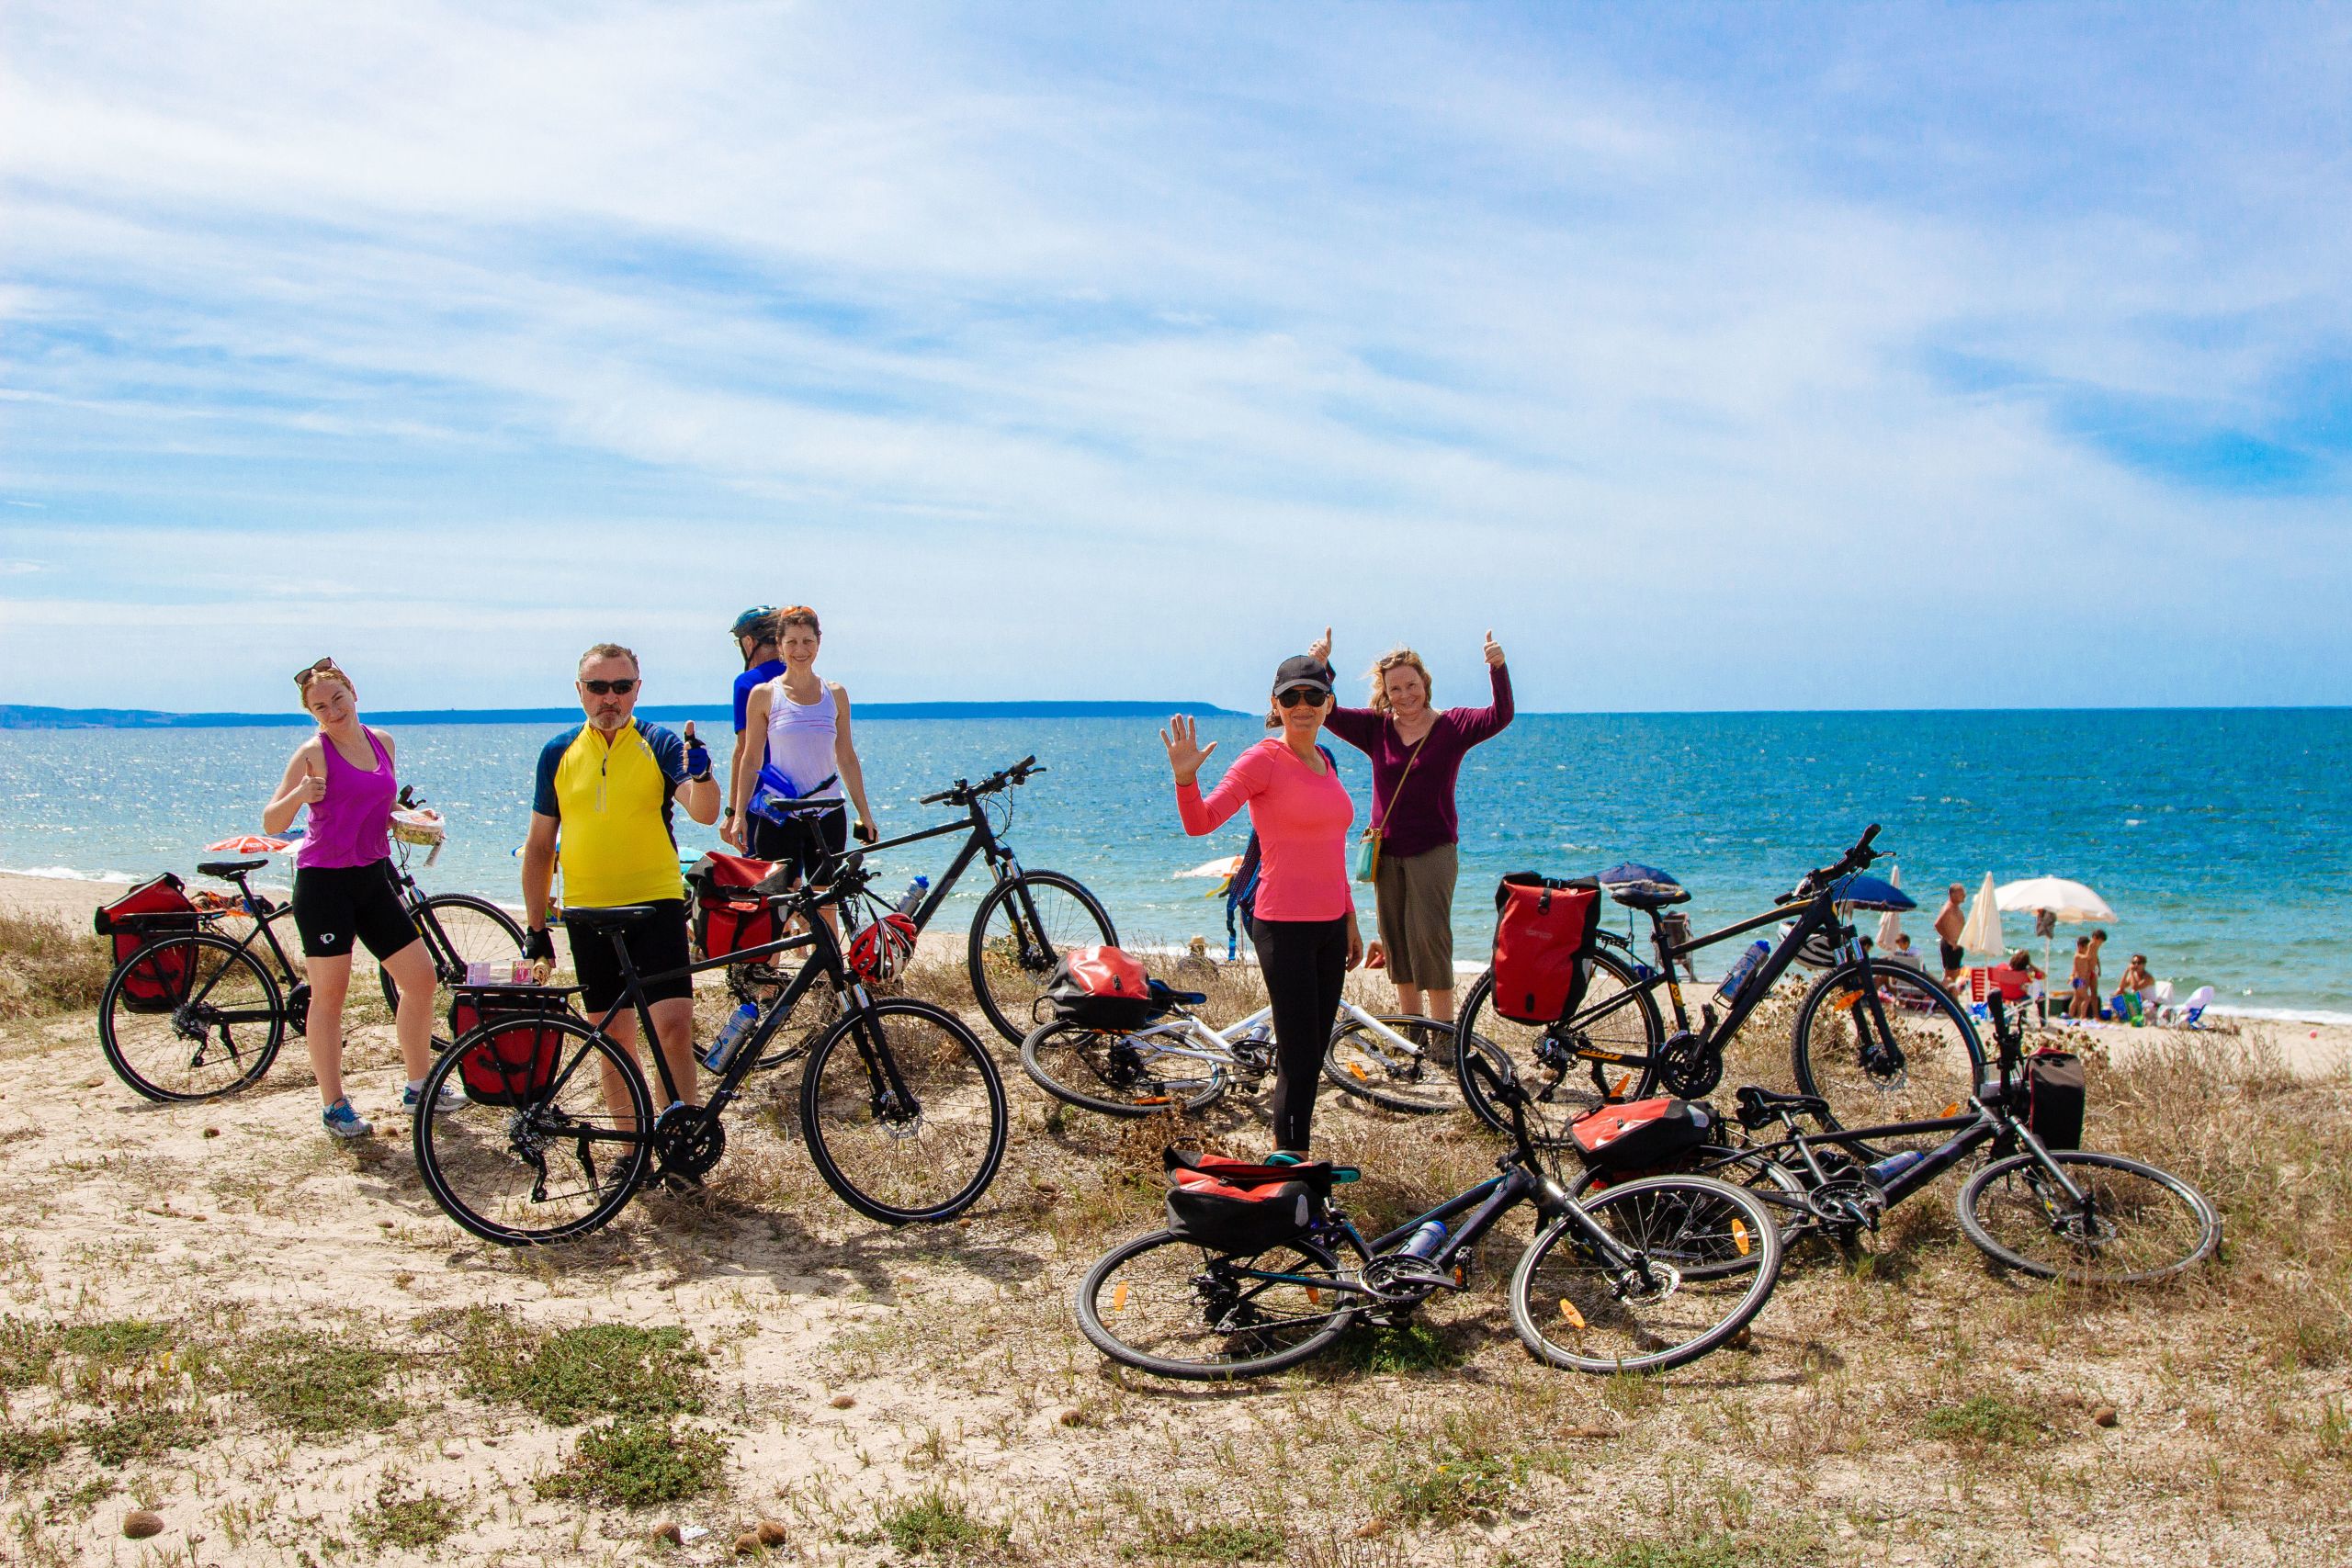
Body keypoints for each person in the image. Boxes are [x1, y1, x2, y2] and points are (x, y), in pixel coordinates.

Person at [1163, 655, 1363, 1160]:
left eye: (1312, 697)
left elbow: (1332, 850)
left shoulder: (1327, 762)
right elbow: (1201, 822)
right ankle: (1289, 1162)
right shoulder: (1262, 760)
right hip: (1283, 925)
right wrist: (1186, 780)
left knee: (1314, 1049)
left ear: (1328, 704)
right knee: (1298, 1054)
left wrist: (1351, 916)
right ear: (1275, 704)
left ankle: (1295, 1153)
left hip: (1330, 926)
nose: (1302, 706)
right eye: (1291, 697)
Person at [522, 644, 721, 1122]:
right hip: (588, 909)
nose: (609, 698)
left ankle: (680, 1137)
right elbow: (539, 848)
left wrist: (705, 774)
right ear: (580, 691)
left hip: (657, 902)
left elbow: (705, 810)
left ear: (637, 689)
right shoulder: (557, 752)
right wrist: (535, 929)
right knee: (611, 1036)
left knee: (672, 1026)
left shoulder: (661, 742)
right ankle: (629, 1151)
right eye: (597, 687)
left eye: (621, 686)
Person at [260, 659, 443, 1139]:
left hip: (371, 878)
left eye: (338, 699)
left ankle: (419, 1087)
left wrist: (412, 814)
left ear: (353, 692)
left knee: (421, 980)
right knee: (330, 997)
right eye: (320, 707)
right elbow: (272, 824)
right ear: (311, 713)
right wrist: (300, 794)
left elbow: (379, 807)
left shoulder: (382, 742)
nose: (332, 711)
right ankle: (334, 1105)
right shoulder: (312, 753)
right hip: (324, 885)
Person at [1307, 628, 1512, 1025]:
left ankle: (1443, 1031)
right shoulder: (1377, 729)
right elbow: (1327, 712)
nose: (1405, 695)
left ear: (1426, 684)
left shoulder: (1453, 727)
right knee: (1396, 941)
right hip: (1387, 854)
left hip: (1433, 851)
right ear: (1386, 693)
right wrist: (1321, 668)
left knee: (1430, 939)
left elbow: (1500, 716)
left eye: (1411, 685)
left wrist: (1498, 669)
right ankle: (1412, 1028)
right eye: (1395, 688)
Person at [725, 606, 879, 883]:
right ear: (780, 646)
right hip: (779, 816)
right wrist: (738, 815)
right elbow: (750, 759)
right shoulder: (763, 695)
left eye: (807, 641)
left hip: (829, 812)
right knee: (780, 907)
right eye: (792, 642)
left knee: (827, 904)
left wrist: (864, 814)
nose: (800, 649)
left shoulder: (836, 693)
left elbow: (846, 757)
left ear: (818, 644)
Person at [724, 606, 785, 835]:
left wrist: (733, 812)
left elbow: (743, 750)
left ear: (749, 642)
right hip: (806, 795)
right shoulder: (804, 679)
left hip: (762, 798)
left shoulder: (748, 683)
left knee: (759, 869)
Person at [1934, 884, 1967, 987]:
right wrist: (1950, 940)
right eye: (1961, 893)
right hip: (1950, 945)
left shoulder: (1955, 908)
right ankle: (1944, 996)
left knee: (1956, 974)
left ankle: (1951, 996)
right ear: (1953, 894)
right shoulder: (1948, 908)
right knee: (1949, 975)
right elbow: (1937, 924)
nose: (1964, 895)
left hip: (1956, 945)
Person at [2067, 935, 2097, 1020]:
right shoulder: (2078, 955)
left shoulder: (2081, 954)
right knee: (2087, 999)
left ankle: (2071, 1015)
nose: (2087, 950)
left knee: (2076, 998)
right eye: (2086, 948)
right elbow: (2087, 957)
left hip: (2079, 980)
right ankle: (2082, 1016)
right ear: (2080, 947)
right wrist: (2092, 947)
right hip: (2079, 980)